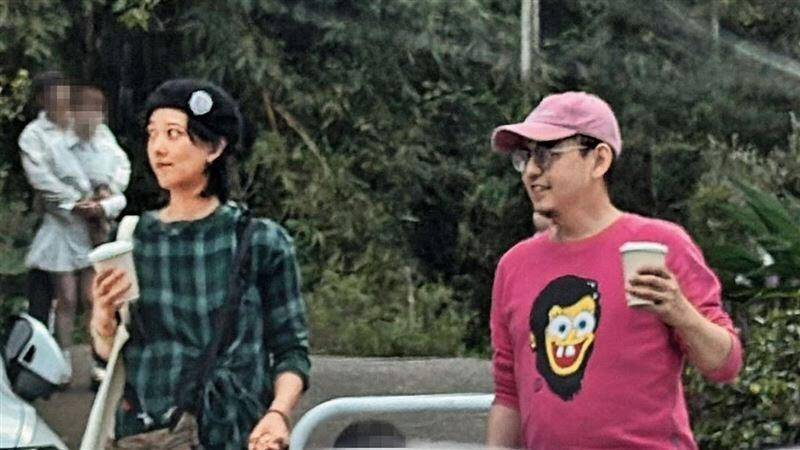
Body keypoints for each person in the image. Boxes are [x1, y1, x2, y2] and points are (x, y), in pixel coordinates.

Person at [485, 91, 743, 449]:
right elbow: (508, 393)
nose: (531, 171)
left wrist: (680, 312)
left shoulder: (662, 245)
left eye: (546, 154)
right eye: (524, 156)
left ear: (599, 160)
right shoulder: (514, 266)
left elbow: (725, 364)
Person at [89, 79, 310, 450]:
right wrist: (102, 322)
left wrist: (278, 414)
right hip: (146, 434)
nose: (158, 147)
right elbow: (113, 357)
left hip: (236, 435)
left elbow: (291, 350)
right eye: (152, 134)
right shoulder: (131, 239)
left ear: (214, 147)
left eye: (174, 134)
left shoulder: (260, 240)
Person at [18, 71, 95, 371]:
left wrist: (104, 195)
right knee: (66, 297)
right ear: (42, 100)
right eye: (55, 97)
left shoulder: (84, 124)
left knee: (92, 297)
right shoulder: (33, 135)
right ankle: (62, 360)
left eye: (65, 95)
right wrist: (74, 202)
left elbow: (113, 159)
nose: (62, 102)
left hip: (93, 223)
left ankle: (96, 360)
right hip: (61, 222)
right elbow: (40, 178)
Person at [69, 84, 131, 246]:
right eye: (86, 110)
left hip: (103, 195)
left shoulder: (104, 135)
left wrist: (109, 188)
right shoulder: (64, 140)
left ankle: (103, 236)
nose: (91, 116)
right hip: (76, 197)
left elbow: (122, 164)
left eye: (97, 111)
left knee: (119, 200)